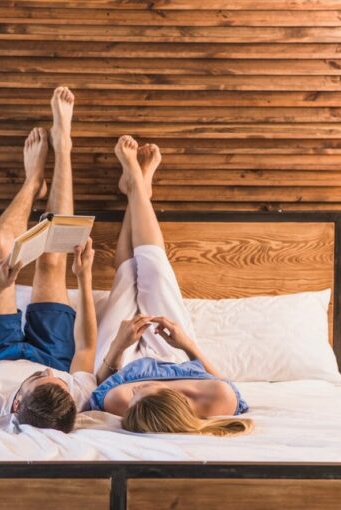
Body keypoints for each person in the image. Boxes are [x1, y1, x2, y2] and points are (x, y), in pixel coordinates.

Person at [0, 87, 97, 434]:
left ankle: (33, 182)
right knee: (54, 258)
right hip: (53, 350)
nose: (45, 374)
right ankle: (63, 149)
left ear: (15, 404)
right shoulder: (73, 393)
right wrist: (84, 278)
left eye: (37, 379)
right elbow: (88, 345)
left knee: (2, 246)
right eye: (56, 382)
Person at [89, 135, 252, 437]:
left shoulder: (122, 400)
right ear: (176, 399)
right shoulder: (217, 401)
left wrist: (118, 346)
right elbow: (220, 382)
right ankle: (139, 186)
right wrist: (185, 343)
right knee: (154, 268)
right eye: (144, 389)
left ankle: (136, 188)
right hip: (173, 356)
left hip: (121, 362)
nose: (139, 387)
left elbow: (101, 382)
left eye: (134, 393)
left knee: (125, 279)